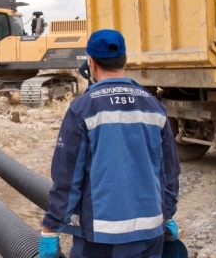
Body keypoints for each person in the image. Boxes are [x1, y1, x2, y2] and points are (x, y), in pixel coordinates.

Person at [39, 29, 180, 258]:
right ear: (125, 60)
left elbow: (68, 176)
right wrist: (168, 214)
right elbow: (169, 170)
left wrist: (50, 229)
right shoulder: (154, 105)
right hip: (150, 234)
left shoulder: (83, 108)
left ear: (91, 63)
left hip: (101, 236)